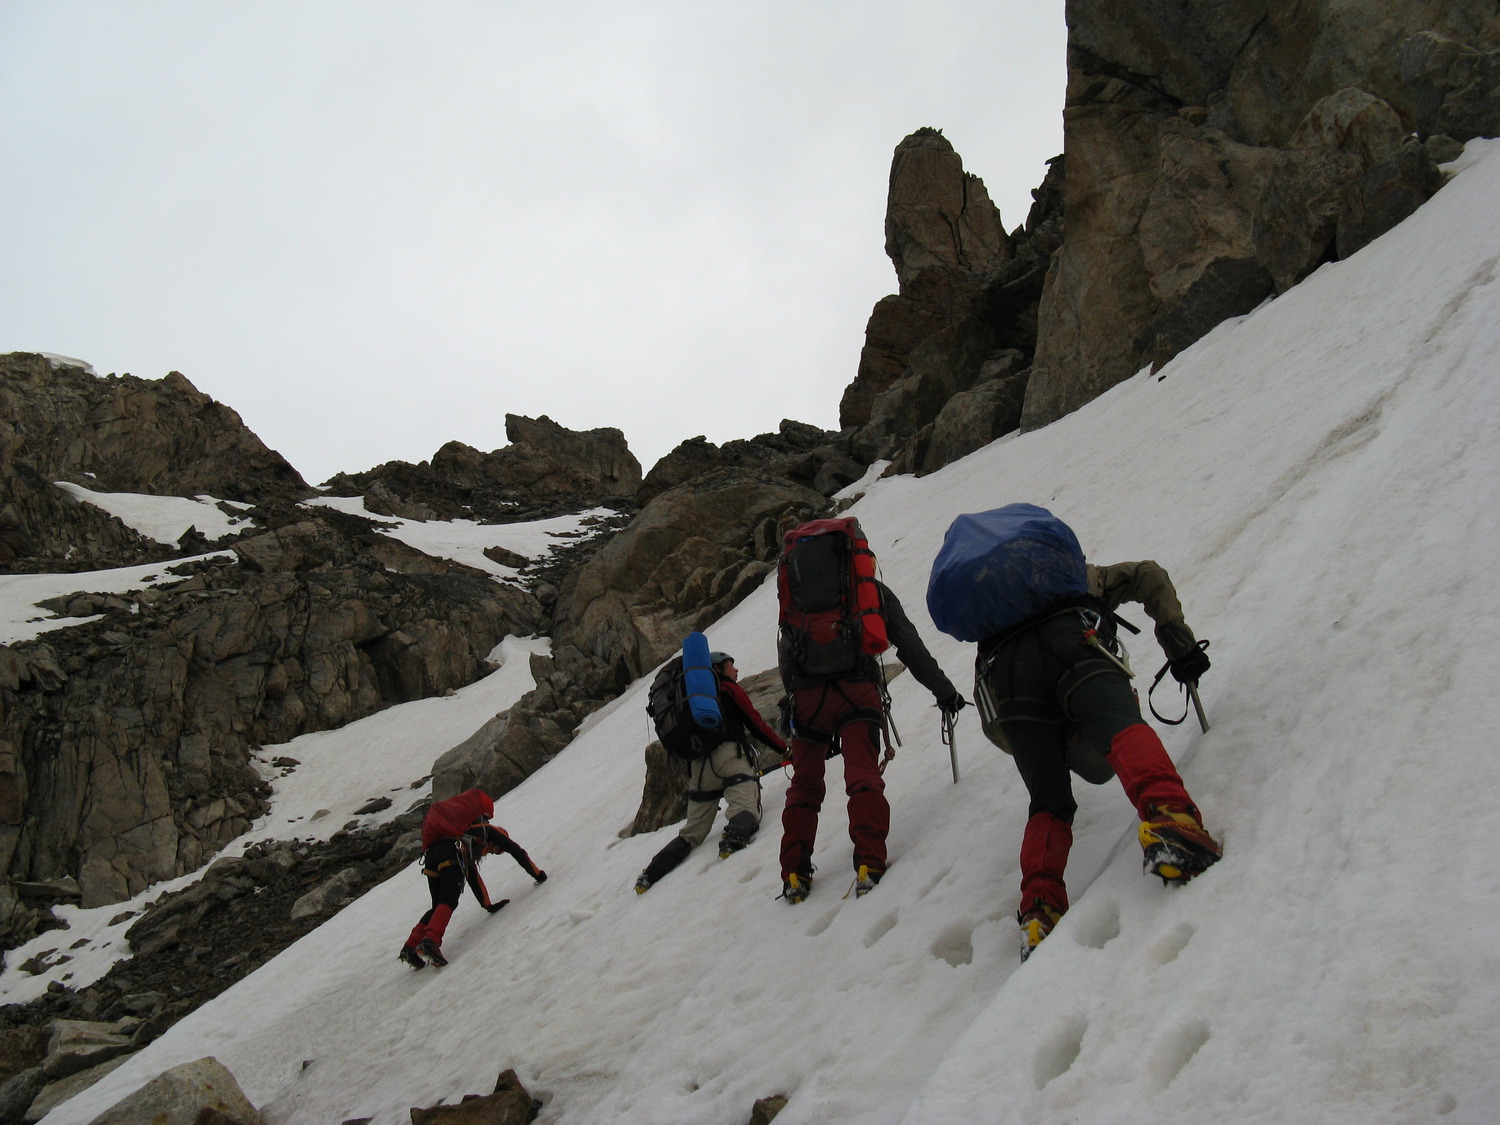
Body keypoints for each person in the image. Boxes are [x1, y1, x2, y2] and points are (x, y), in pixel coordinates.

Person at [977, 557, 1221, 960]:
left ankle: (1040, 908)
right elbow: (1149, 574)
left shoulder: (989, 617)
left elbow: (994, 723)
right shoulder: (1071, 573)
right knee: (1120, 726)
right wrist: (1181, 647)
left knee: (1048, 799)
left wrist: (1045, 746)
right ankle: (1171, 820)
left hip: (1008, 678)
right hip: (1077, 643)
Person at [778, 579, 962, 903]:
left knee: (805, 783)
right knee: (862, 773)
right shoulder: (867, 587)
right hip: (856, 691)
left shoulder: (799, 589)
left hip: (806, 699)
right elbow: (908, 643)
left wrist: (795, 699)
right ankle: (868, 863)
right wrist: (944, 690)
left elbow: (786, 646)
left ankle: (794, 872)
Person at [635, 651, 788, 893]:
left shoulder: (687, 701)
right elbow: (755, 723)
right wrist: (783, 749)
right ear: (717, 669)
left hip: (699, 768)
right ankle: (733, 840)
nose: (736, 670)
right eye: (730, 665)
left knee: (691, 832)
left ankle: (651, 874)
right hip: (731, 759)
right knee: (746, 809)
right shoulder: (727, 689)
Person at [400, 787, 546, 968]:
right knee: (448, 900)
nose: (494, 852)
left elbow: (473, 878)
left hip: (432, 854)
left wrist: (488, 906)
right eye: (497, 850)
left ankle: (410, 947)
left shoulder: (467, 841)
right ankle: (430, 941)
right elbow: (517, 851)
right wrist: (538, 874)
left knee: (438, 905)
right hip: (450, 852)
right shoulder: (489, 831)